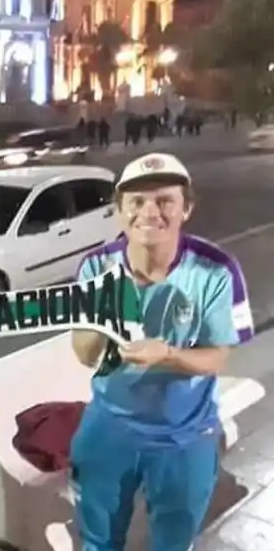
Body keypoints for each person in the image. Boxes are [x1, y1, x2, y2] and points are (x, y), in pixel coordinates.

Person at [70, 153, 253, 551]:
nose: (149, 212)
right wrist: (104, 316)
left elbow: (218, 357)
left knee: (172, 542)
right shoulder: (95, 267)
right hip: (109, 427)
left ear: (186, 208)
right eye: (136, 201)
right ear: (119, 212)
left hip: (184, 434)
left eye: (164, 200)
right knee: (97, 540)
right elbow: (84, 355)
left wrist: (167, 353)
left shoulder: (217, 270)